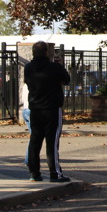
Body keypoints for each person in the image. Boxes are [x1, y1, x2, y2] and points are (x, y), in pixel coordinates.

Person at [24, 41, 71, 182]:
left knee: (35, 140)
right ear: (46, 52)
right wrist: (59, 65)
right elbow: (66, 79)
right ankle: (55, 173)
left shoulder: (28, 68)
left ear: (33, 52)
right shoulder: (55, 68)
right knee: (52, 142)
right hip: (52, 108)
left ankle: (34, 173)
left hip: (35, 108)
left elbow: (28, 82)